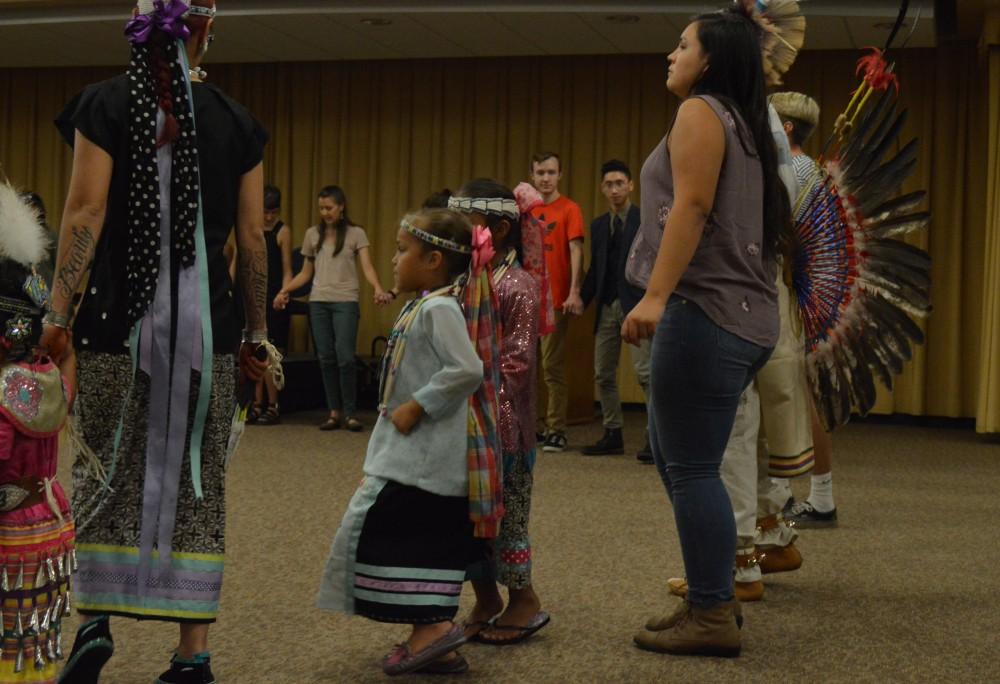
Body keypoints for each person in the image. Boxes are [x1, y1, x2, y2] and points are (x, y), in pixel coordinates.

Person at [45, 2, 270, 682]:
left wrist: (57, 314)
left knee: (103, 470)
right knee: (201, 487)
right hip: (211, 338)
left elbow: (86, 211)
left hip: (116, 328)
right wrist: (259, 336)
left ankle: (93, 625)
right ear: (205, 32)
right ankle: (191, 655)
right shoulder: (236, 121)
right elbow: (253, 240)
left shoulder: (104, 105)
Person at [623, 6, 793, 657]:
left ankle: (714, 613)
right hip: (744, 320)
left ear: (711, 60)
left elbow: (689, 209)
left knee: (691, 469)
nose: (672, 53)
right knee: (679, 461)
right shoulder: (746, 126)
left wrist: (658, 296)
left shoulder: (701, 111)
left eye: (683, 44)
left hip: (705, 313)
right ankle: (706, 595)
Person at [317, 208, 501, 676]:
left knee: (390, 533)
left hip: (425, 455)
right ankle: (435, 635)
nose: (393, 260)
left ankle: (435, 631)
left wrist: (417, 406)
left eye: (402, 250)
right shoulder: (427, 302)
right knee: (423, 543)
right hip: (413, 453)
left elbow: (467, 369)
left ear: (434, 259)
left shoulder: (439, 307)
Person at [448, 180, 551, 644]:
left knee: (506, 516)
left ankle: (524, 599)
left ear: (501, 227)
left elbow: (517, 364)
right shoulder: (465, 280)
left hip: (504, 428)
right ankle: (487, 597)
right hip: (464, 423)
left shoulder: (518, 286)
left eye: (464, 223)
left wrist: (486, 415)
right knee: (469, 517)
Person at [0, 183, 76, 684]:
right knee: (31, 646)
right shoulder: (47, 379)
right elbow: (66, 352)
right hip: (48, 524)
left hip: (8, 538)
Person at [770, 91, 839, 527]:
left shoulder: (792, 170)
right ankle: (808, 493)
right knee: (794, 392)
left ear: (787, 128)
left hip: (793, 292)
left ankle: (819, 495)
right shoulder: (811, 168)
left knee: (794, 393)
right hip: (804, 291)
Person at [275, 186, 390, 432]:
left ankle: (350, 413)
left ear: (341, 207)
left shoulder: (356, 233)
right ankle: (333, 411)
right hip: (318, 302)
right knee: (326, 357)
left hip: (345, 301)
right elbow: (306, 273)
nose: (325, 212)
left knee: (345, 357)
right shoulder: (312, 235)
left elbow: (367, 267)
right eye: (321, 208)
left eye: (329, 207)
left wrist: (378, 288)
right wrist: (284, 291)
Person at [579, 160, 652, 461]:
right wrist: (581, 300)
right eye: (608, 184)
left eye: (619, 183)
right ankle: (613, 432)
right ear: (602, 189)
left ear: (631, 185)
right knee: (603, 373)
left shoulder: (644, 220)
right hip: (607, 306)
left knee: (645, 374)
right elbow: (596, 268)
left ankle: (654, 437)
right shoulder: (598, 225)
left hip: (637, 304)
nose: (614, 189)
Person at [529, 152, 584, 452]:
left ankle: (556, 429)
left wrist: (574, 291)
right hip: (528, 300)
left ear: (560, 175)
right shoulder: (528, 210)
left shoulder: (569, 209)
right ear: (533, 174)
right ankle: (532, 425)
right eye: (540, 173)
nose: (546, 178)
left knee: (552, 366)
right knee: (527, 368)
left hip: (555, 299)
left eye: (551, 172)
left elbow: (576, 250)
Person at [249, 184, 291, 425]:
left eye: (273, 212)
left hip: (273, 296)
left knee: (269, 355)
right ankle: (255, 403)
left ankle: (273, 404)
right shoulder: (250, 227)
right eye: (265, 211)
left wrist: (284, 293)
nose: (269, 216)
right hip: (253, 294)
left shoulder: (283, 231)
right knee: (253, 352)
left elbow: (287, 269)